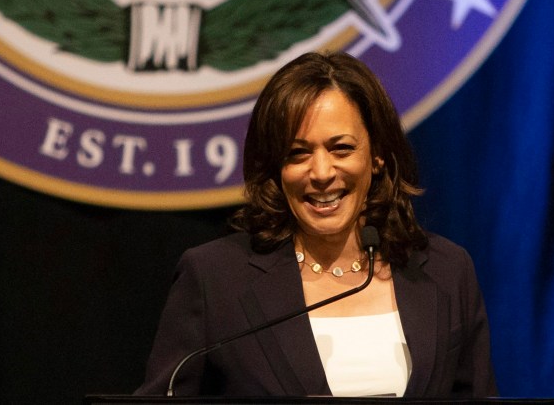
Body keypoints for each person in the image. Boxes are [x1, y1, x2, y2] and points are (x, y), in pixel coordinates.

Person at [135, 52, 497, 397]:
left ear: (377, 157)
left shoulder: (448, 270)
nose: (322, 173)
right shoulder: (214, 279)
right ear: (275, 168)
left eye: (341, 148)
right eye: (298, 153)